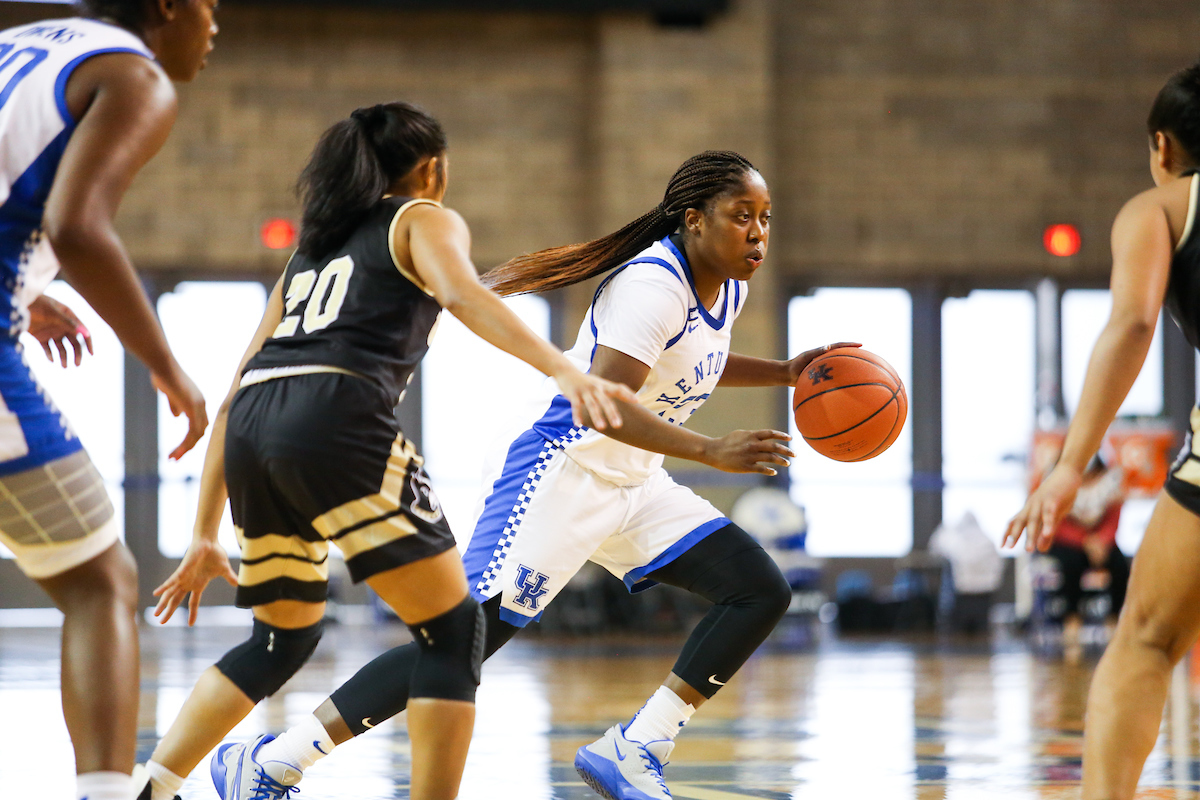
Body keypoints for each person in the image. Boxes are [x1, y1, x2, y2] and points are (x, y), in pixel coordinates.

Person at [182, 149, 852, 800]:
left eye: (766, 217)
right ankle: (272, 762)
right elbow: (607, 409)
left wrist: (787, 371)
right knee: (458, 641)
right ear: (694, 218)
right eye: (743, 214)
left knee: (757, 588)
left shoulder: (725, 288)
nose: (758, 231)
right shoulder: (652, 286)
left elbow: (692, 360)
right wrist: (710, 450)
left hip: (633, 481)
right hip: (563, 469)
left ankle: (637, 747)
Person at [135, 101, 634, 800]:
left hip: (254, 426)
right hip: (335, 420)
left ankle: (151, 786)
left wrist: (202, 532)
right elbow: (461, 293)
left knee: (279, 641)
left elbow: (236, 392)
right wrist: (563, 367)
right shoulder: (422, 218)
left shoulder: (307, 255)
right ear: (430, 167)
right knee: (454, 633)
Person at [0, 3, 214, 800]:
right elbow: (79, 227)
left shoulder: (15, 45)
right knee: (102, 583)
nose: (215, 25)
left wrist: (22, 291)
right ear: (166, 6)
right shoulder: (133, 75)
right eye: (210, 7)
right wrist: (168, 365)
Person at [1005, 58, 1200, 800]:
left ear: (1162, 147)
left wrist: (1066, 465)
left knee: (1145, 642)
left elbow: (1132, 322)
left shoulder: (1159, 208)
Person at [1041, 455, 1129, 652]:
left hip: (1102, 542)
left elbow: (1114, 516)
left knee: (1120, 565)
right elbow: (1057, 521)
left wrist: (1101, 541)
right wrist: (1085, 541)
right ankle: (1072, 620)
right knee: (1070, 563)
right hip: (1068, 542)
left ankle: (1114, 620)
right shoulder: (1056, 479)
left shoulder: (1110, 480)